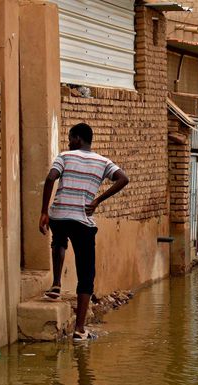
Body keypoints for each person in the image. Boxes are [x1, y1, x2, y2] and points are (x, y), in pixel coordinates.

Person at [39, 123, 130, 341]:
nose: (69, 142)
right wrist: (97, 200)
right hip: (82, 220)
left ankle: (56, 284)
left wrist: (44, 211)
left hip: (59, 215)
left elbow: (51, 178)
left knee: (58, 242)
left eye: (71, 138)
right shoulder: (103, 162)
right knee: (86, 274)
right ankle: (79, 330)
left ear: (78, 139)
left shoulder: (64, 156)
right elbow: (123, 178)